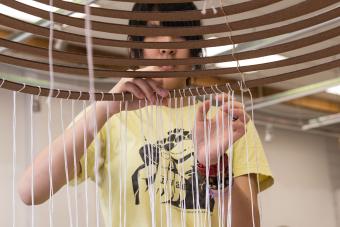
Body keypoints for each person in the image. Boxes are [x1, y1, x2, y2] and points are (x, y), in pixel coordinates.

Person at [18, 3, 274, 227]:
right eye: (154, 34)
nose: (168, 47)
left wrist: (213, 166)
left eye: (180, 34)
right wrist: (106, 107)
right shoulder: (110, 118)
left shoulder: (226, 122)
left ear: (196, 49)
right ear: (135, 49)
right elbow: (31, 191)